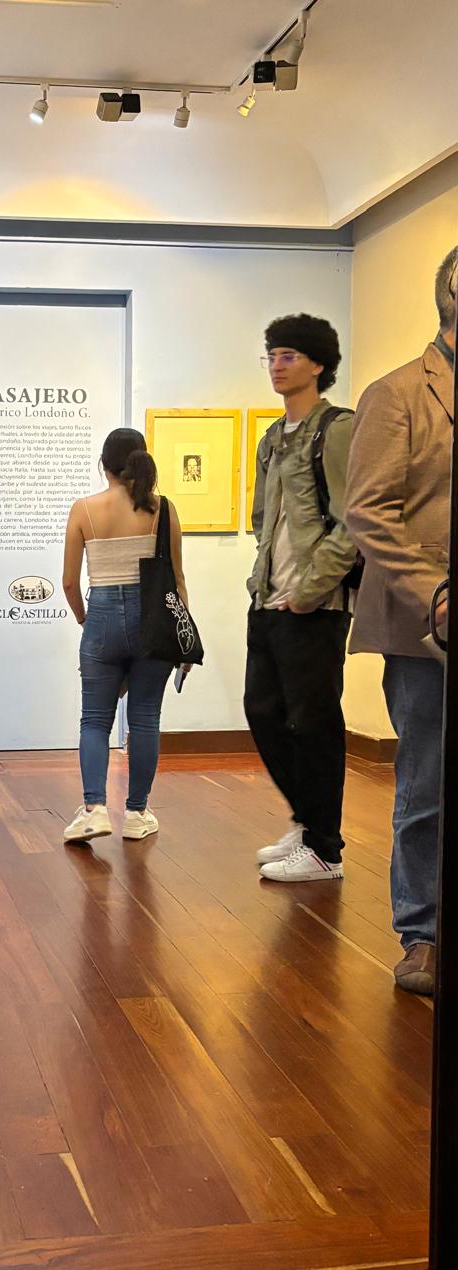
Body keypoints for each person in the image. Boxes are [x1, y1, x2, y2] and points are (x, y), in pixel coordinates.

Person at [344, 246, 456, 995]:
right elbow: (367, 511)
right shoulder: (397, 394)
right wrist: (435, 591)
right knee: (427, 783)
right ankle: (421, 934)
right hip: (427, 628)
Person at [246, 314, 359, 882]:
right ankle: (308, 820)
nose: (276, 366)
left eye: (288, 355)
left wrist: (311, 589)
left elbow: (354, 519)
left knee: (314, 723)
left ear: (318, 364)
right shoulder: (272, 438)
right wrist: (262, 583)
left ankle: (323, 851)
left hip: (316, 606)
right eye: (271, 355)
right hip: (269, 601)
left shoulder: (338, 429)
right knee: (262, 711)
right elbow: (263, 517)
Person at [61, 428, 189, 843]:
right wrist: (183, 634)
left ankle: (95, 809)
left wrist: (86, 621)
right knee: (145, 718)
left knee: (95, 720)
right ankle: (136, 813)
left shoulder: (84, 509)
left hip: (102, 617)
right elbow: (176, 579)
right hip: (154, 622)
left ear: (104, 464)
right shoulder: (163, 510)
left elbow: (69, 582)